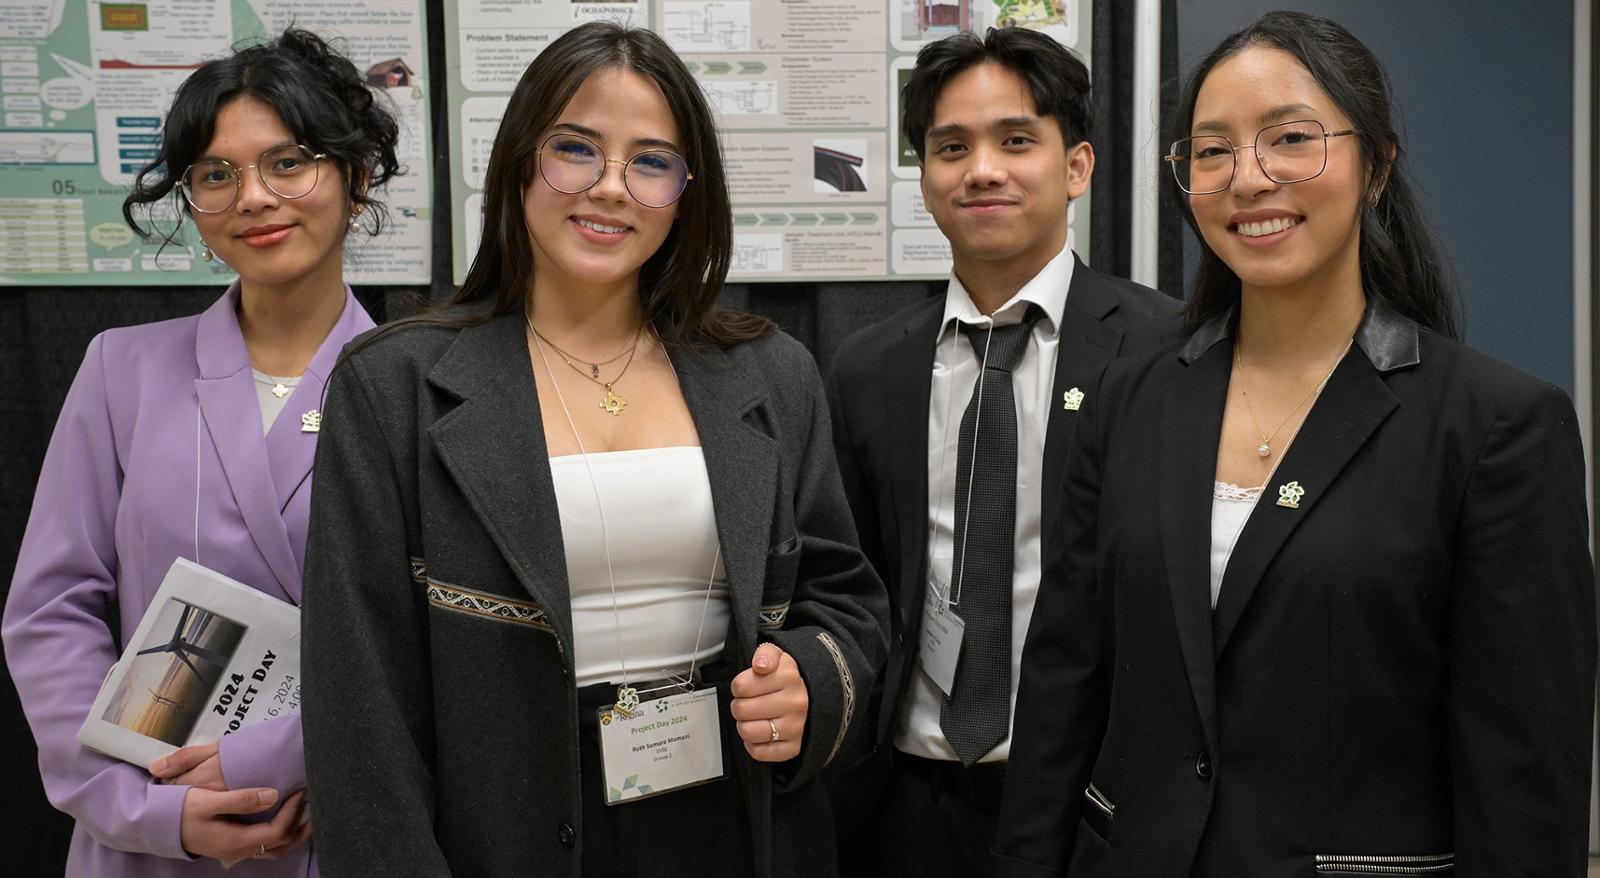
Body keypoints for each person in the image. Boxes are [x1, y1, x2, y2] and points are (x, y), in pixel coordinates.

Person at [995, 11, 1596, 876]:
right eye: (1210, 151)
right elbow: (1064, 682)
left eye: (1290, 139)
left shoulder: (1493, 426)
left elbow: (1523, 775)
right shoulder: (1131, 393)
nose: (1249, 178)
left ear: (1377, 165)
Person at [298, 21, 887, 877]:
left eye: (651, 162)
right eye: (576, 149)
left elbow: (846, 599)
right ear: (519, 162)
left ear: (687, 192)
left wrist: (809, 679)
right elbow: (360, 712)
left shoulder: (769, 374)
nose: (611, 187)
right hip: (501, 829)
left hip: (734, 819)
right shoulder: (393, 386)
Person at [2, 27, 399, 875]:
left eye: (288, 161)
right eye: (217, 175)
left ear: (357, 179)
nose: (253, 196)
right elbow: (52, 612)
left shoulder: (418, 388)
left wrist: (277, 758)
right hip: (148, 821)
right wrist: (139, 807)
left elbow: (433, 640)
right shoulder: (123, 370)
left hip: (341, 820)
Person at [823, 26, 1179, 876]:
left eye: (1017, 140)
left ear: (1078, 167)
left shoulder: (1168, 353)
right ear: (923, 180)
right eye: (952, 147)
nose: (982, 169)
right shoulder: (867, 369)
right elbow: (853, 585)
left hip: (1095, 799)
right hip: (903, 800)